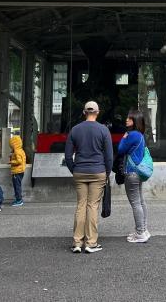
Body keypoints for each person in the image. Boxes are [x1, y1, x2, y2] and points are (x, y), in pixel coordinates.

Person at [64, 101, 113, 254]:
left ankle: (77, 242)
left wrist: (74, 170)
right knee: (92, 206)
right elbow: (109, 156)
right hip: (98, 171)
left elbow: (67, 156)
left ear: (84, 112)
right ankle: (91, 243)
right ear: (97, 112)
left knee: (81, 205)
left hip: (79, 171)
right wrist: (107, 172)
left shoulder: (75, 130)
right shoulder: (103, 130)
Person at [118, 110, 150, 243]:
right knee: (141, 201)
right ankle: (144, 230)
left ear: (135, 121)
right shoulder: (140, 135)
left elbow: (120, 149)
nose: (126, 120)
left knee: (136, 203)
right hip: (139, 172)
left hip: (131, 172)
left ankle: (140, 233)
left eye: (129, 118)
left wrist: (124, 137)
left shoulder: (131, 135)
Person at [9, 136, 26, 207]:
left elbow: (19, 161)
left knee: (17, 186)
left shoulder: (16, 151)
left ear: (13, 144)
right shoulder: (21, 150)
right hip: (20, 171)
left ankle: (19, 200)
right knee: (17, 186)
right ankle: (18, 199)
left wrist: (11, 162)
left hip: (17, 172)